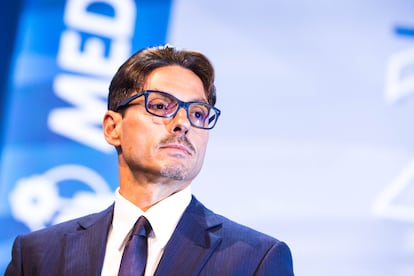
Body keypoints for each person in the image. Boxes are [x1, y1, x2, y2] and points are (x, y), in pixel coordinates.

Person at [5, 45, 294, 275]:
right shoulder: (37, 255)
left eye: (197, 113)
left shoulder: (256, 260)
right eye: (159, 106)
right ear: (112, 127)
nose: (183, 124)